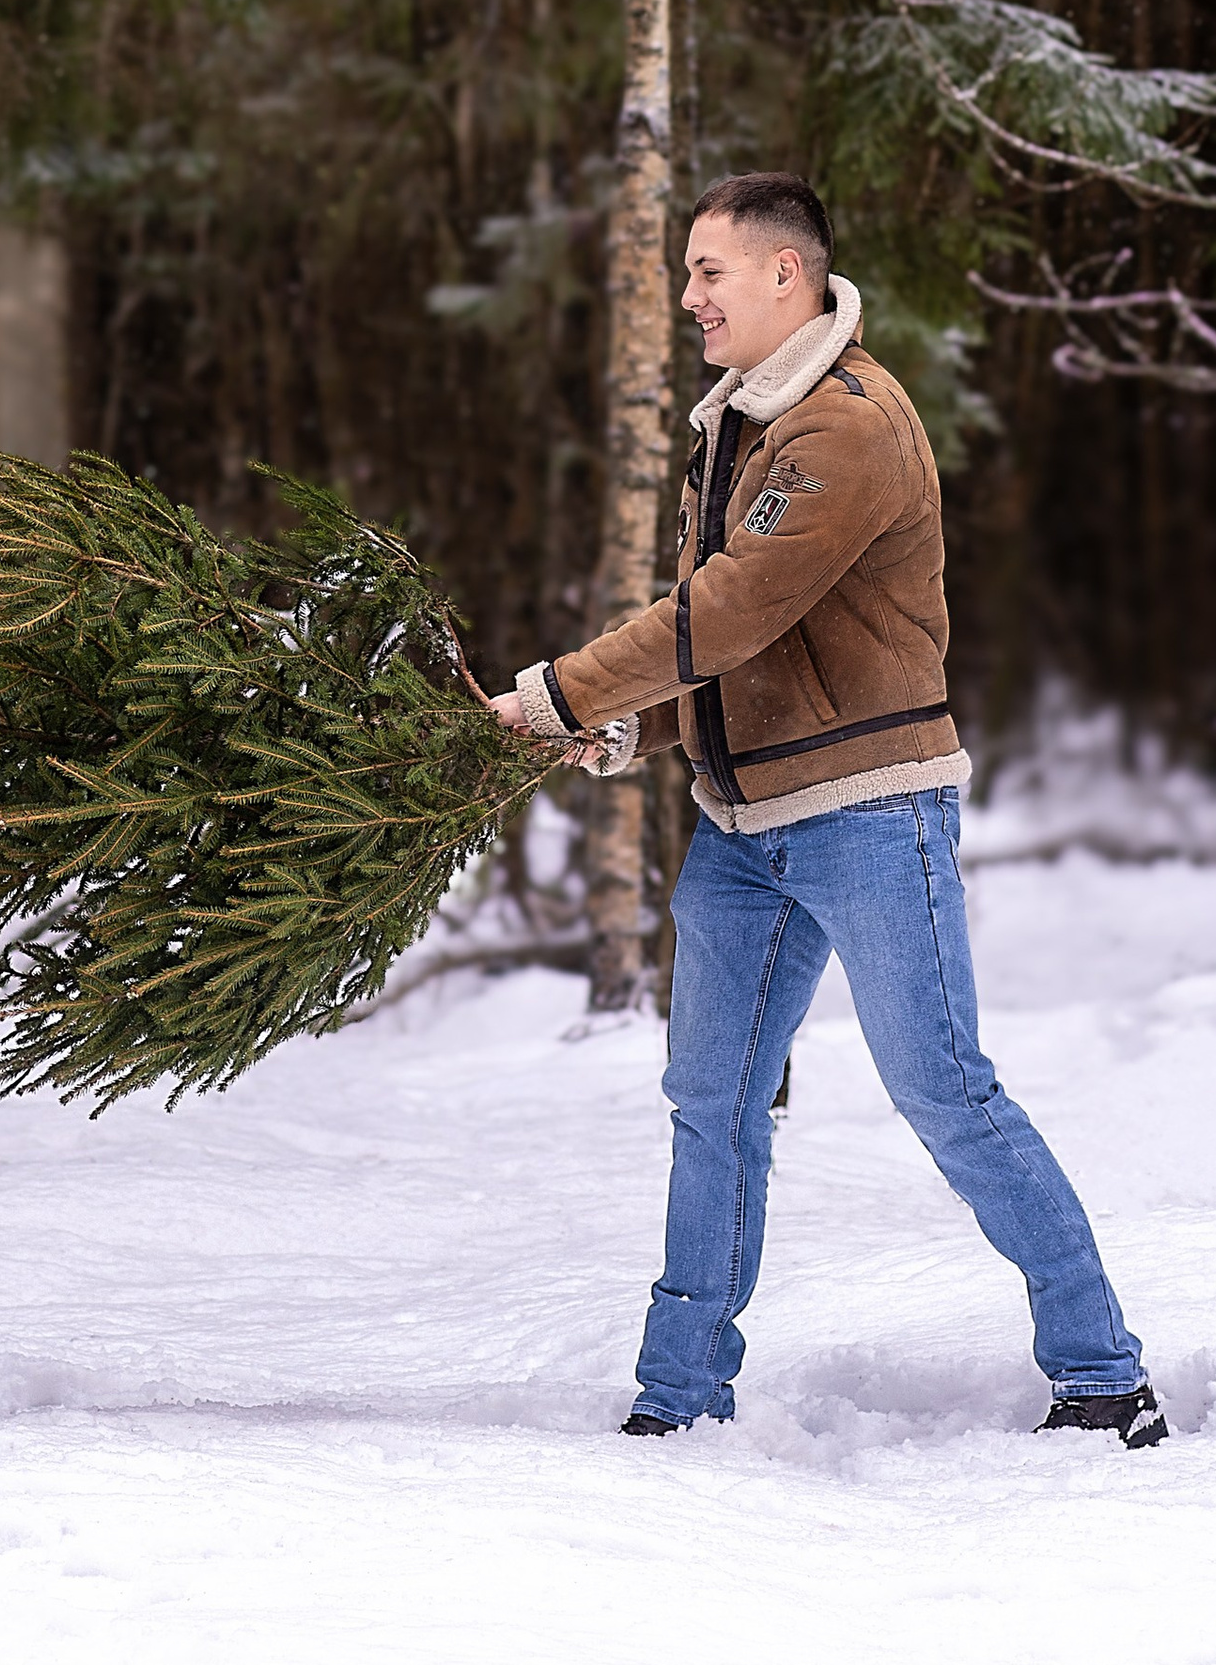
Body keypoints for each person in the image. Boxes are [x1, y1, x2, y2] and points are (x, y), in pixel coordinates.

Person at [496, 173, 1164, 1450]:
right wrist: (632, 718)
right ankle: (678, 1391)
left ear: (786, 277)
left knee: (945, 1092)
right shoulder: (747, 420)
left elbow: (735, 607)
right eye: (687, 271)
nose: (686, 294)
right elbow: (734, 634)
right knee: (711, 1099)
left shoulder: (845, 424)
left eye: (708, 270)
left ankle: (1101, 1372)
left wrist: (554, 693)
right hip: (742, 827)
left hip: (867, 814)